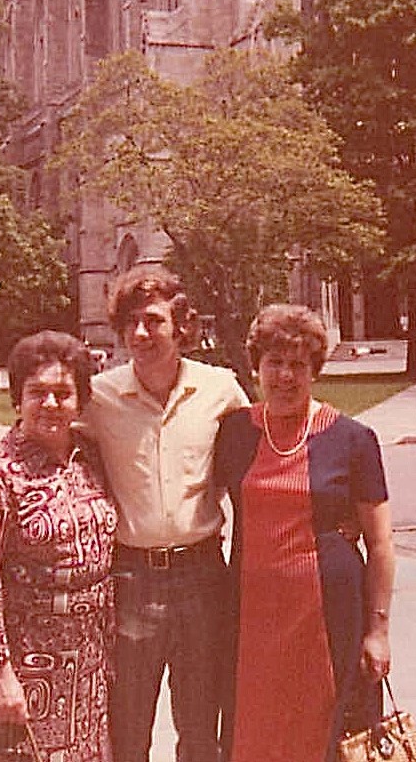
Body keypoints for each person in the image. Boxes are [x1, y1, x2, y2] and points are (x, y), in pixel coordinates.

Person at [215, 304, 395, 762]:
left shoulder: (353, 440)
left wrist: (377, 630)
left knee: (328, 735)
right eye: (274, 363)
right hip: (250, 618)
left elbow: (380, 544)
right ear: (256, 366)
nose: (285, 376)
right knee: (254, 733)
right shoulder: (235, 433)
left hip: (329, 618)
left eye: (298, 364)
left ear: (315, 369)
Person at [83, 264, 249, 762]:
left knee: (200, 730)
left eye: (153, 320)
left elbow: (264, 461)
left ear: (181, 324)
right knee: (128, 729)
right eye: (130, 322)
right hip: (131, 579)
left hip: (202, 576)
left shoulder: (221, 389)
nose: (140, 333)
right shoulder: (100, 397)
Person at [0, 331, 117, 762]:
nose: (50, 404)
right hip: (28, 668)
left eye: (63, 394)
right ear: (18, 399)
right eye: (38, 393)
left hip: (92, 664)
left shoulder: (91, 458)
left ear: (79, 401)